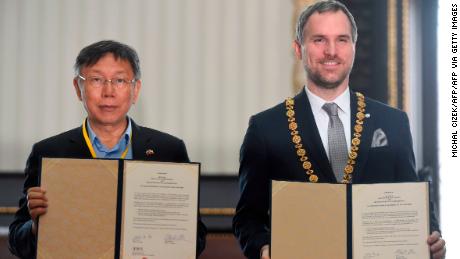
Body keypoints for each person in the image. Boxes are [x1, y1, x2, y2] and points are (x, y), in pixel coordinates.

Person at [232, 1, 446, 259]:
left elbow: (412, 205)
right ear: (298, 49)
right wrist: (264, 249)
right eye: (319, 40)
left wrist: (432, 236)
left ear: (354, 48)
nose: (331, 51)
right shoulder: (265, 129)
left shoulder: (393, 123)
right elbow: (248, 219)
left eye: (342, 40)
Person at [8, 40, 207, 258]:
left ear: (135, 90)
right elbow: (18, 244)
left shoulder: (169, 150)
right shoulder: (50, 152)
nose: (108, 91)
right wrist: (38, 226)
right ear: (78, 88)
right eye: (96, 80)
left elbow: (195, 240)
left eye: (120, 80)